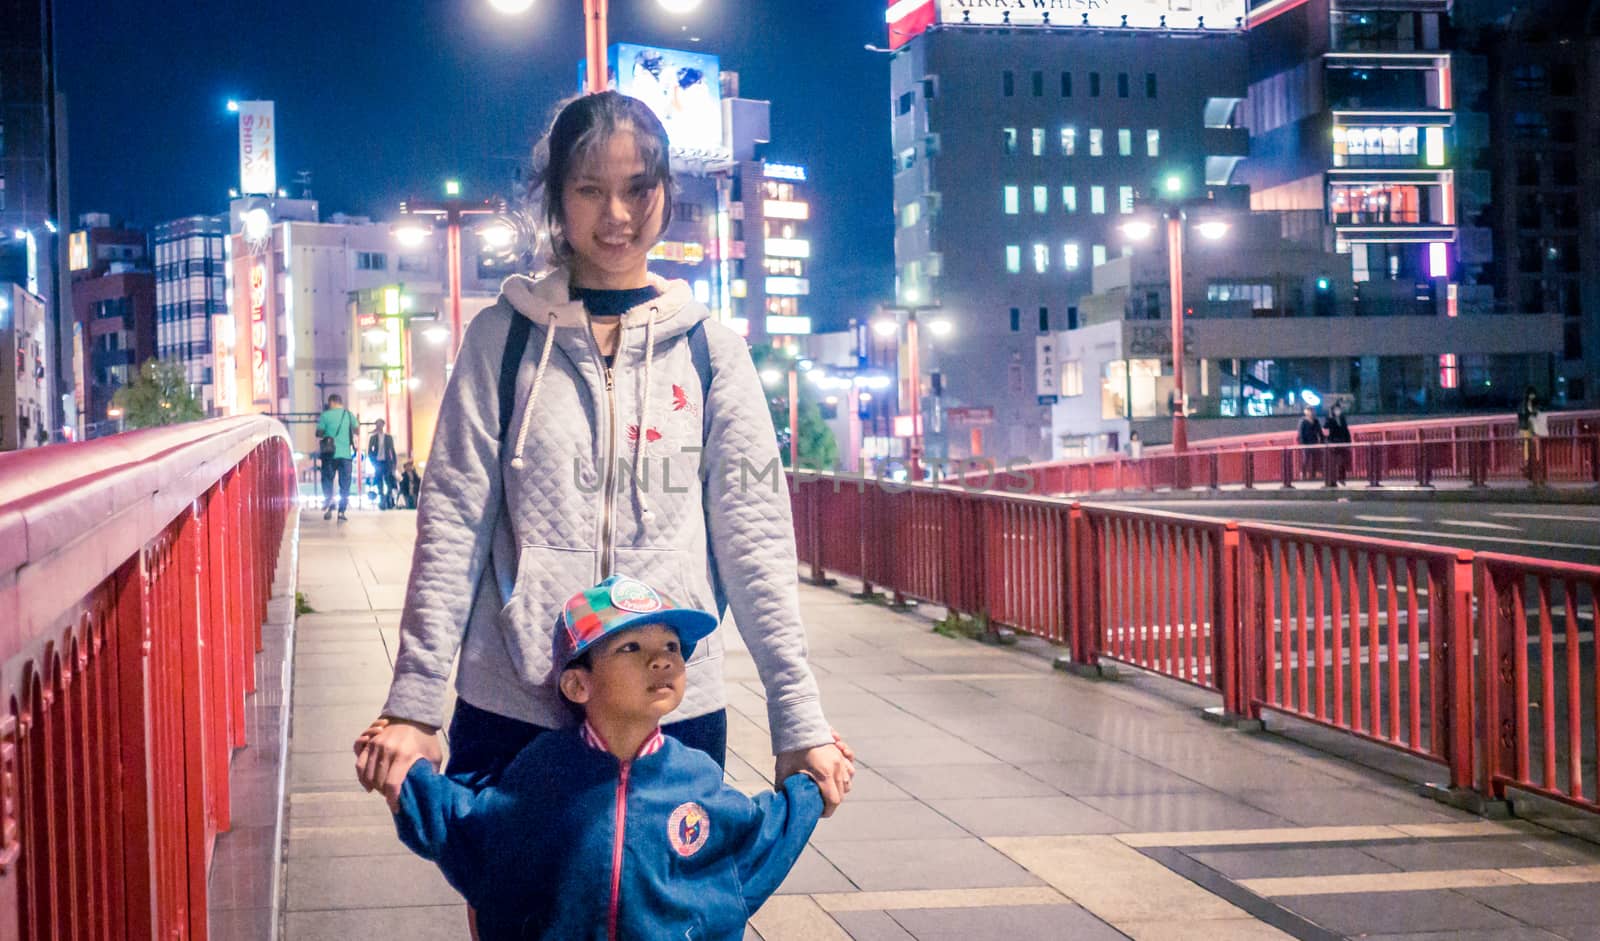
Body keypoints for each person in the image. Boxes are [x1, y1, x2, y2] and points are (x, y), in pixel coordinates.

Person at [353, 91, 852, 853]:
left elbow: (756, 542)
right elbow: (452, 524)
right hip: (518, 702)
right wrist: (415, 705)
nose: (615, 213)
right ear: (555, 198)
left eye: (636, 188)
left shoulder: (711, 352)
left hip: (669, 709)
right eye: (590, 189)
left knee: (664, 916)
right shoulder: (502, 341)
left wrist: (798, 719)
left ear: (665, 195)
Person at [369, 575, 823, 940]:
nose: (662, 661)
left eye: (670, 647)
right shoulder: (544, 772)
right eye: (632, 648)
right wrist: (406, 777)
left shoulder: (694, 776)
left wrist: (809, 789)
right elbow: (472, 828)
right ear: (577, 685)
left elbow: (755, 838)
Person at [315, 394, 358, 521]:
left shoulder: (325, 415)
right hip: (345, 455)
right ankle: (341, 512)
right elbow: (356, 430)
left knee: (327, 479)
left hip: (329, 454)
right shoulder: (349, 415)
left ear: (332, 402)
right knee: (345, 484)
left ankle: (330, 503)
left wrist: (328, 432)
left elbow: (319, 433)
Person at [367, 419, 399, 510]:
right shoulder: (373, 438)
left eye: (381, 424)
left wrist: (394, 463)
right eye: (377, 424)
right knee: (379, 481)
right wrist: (373, 461)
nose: (379, 426)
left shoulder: (388, 437)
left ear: (383, 425)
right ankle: (382, 499)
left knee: (388, 481)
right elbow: (370, 451)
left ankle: (387, 498)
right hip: (378, 462)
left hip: (387, 462)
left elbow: (392, 450)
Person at [1323, 399, 1352, 486]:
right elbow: (1325, 427)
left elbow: (1346, 430)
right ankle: (1333, 479)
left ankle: (1342, 478)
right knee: (1335, 462)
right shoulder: (1329, 419)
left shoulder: (1342, 418)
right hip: (1334, 443)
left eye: (1339, 409)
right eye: (1336, 409)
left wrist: (1348, 441)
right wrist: (1330, 417)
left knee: (1342, 462)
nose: (1338, 411)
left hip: (1342, 442)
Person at [1297, 405, 1325, 479]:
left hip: (1314, 443)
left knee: (1316, 459)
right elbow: (1301, 434)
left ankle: (1313, 474)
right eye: (1309, 410)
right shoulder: (1303, 422)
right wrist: (1303, 444)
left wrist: (1322, 441)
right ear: (1305, 412)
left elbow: (1320, 432)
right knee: (1306, 459)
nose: (1311, 412)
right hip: (1306, 444)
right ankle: (1303, 474)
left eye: (1312, 410)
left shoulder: (1316, 421)